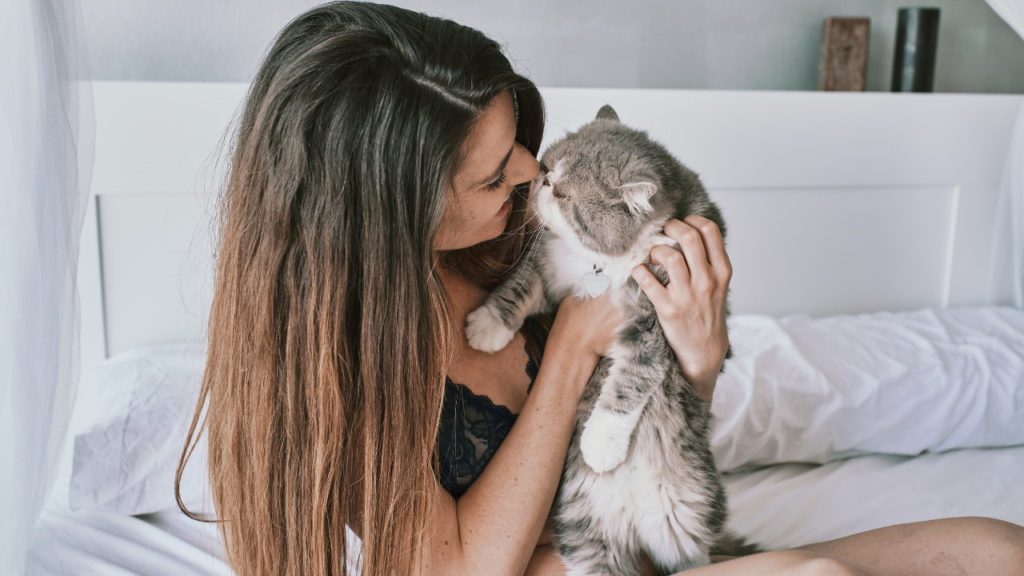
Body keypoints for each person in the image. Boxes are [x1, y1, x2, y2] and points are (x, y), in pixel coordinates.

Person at [176, 2, 1024, 575]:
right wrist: (573, 349)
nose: (527, 174)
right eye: (491, 177)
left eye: (518, 140)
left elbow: (643, 445)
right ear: (388, 213)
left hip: (625, 544)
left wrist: (697, 359)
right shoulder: (331, 361)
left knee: (998, 549)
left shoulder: (508, 238)